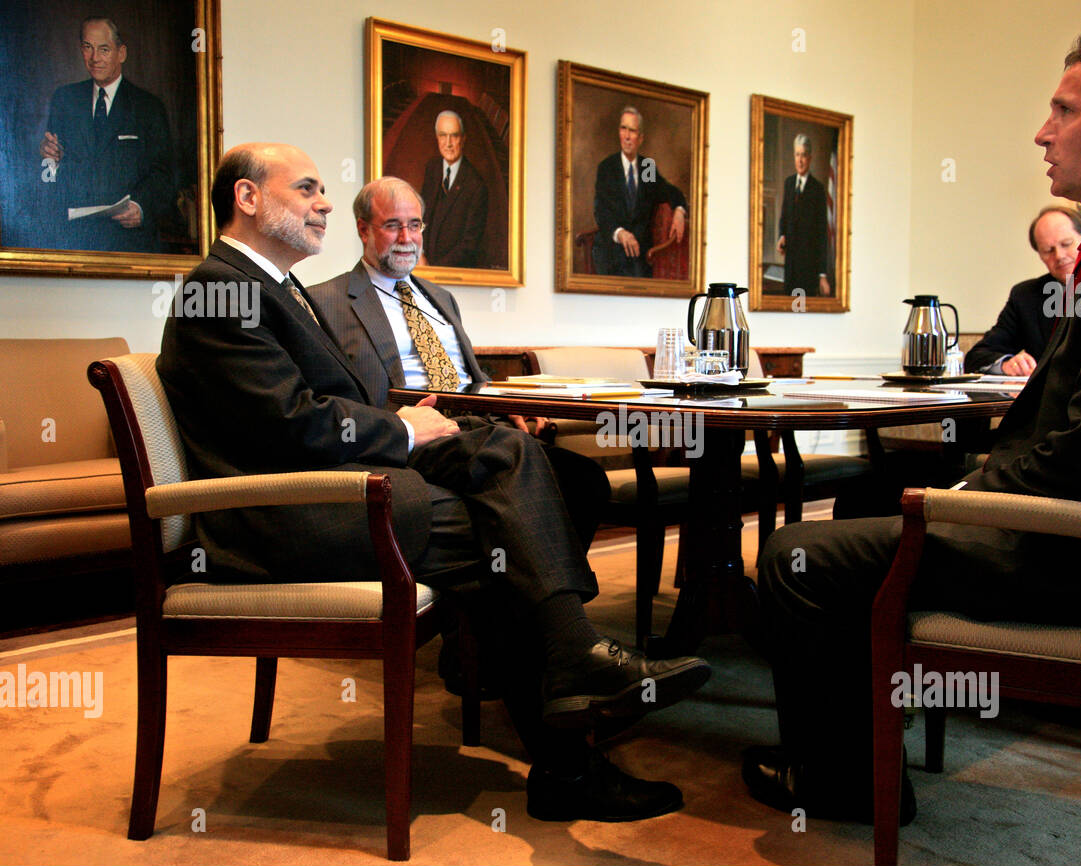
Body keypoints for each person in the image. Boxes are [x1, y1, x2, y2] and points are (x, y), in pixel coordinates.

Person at [747, 30, 1081, 821]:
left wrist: (960, 497)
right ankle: (869, 741)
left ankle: (845, 787)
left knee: (795, 556)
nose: (1042, 131)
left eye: (1063, 109)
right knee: (866, 516)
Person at [157, 142, 711, 823]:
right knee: (502, 537)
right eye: (306, 189)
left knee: (506, 456)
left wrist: (408, 424)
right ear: (246, 197)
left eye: (321, 189)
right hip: (282, 517)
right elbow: (290, 423)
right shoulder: (222, 290)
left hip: (337, 483)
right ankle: (570, 735)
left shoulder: (272, 288)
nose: (325, 202)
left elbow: (320, 407)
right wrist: (404, 431)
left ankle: (572, 671)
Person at [308, 176, 609, 551]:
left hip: (478, 427)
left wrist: (509, 407)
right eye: (392, 225)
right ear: (363, 229)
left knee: (586, 480)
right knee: (535, 473)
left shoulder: (440, 297)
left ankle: (532, 600)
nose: (406, 237)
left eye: (415, 225)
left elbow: (472, 376)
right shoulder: (326, 302)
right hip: (415, 439)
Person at [39, 16, 174, 253]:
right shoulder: (65, 99)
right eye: (87, 48)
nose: (94, 58)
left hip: (130, 243)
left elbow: (165, 174)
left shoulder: (148, 107)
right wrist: (51, 162)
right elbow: (47, 176)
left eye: (103, 49)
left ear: (121, 53)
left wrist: (141, 207)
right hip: (75, 241)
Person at [965, 206, 1081, 374]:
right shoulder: (1026, 296)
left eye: (1066, 244)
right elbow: (977, 357)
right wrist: (1007, 365)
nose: (1059, 256)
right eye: (1048, 250)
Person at [592, 107, 687, 277]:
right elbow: (601, 211)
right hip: (610, 251)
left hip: (639, 255)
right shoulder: (607, 167)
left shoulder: (646, 167)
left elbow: (667, 191)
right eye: (623, 129)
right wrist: (620, 233)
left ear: (640, 138)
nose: (627, 137)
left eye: (632, 131)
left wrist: (679, 210)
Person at [419, 110, 487, 267]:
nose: (448, 143)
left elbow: (469, 246)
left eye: (454, 136)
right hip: (424, 266)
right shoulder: (432, 168)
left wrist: (434, 271)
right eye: (443, 135)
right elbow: (421, 217)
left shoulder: (476, 186)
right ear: (437, 138)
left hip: (452, 273)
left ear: (463, 139)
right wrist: (420, 253)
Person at [777, 135, 831, 298]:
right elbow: (784, 216)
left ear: (810, 158)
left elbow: (822, 233)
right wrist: (782, 235)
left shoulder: (817, 189)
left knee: (801, 311)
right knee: (788, 309)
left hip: (808, 267)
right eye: (797, 155)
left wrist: (822, 275)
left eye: (804, 155)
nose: (800, 160)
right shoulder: (789, 183)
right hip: (790, 266)